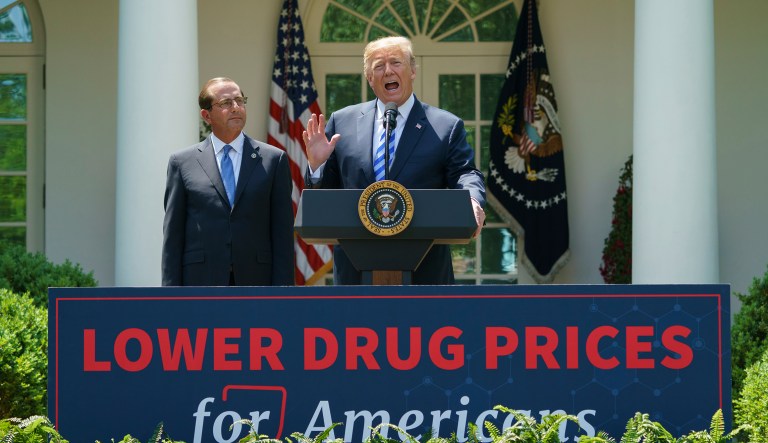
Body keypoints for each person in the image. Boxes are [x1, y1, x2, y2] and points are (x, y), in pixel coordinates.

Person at [302, 36, 486, 285]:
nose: (388, 70)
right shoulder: (342, 123)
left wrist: (472, 199)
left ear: (412, 70)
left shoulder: (445, 126)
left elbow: (465, 173)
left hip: (426, 270)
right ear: (369, 78)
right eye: (378, 66)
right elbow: (325, 198)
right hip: (355, 271)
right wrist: (316, 166)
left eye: (396, 63)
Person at [162, 77, 295, 286]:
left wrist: (283, 293)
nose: (236, 108)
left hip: (257, 282)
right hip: (200, 282)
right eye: (225, 103)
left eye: (240, 101)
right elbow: (173, 237)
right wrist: (170, 296)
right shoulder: (182, 163)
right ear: (207, 115)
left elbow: (282, 234)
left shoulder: (273, 160)